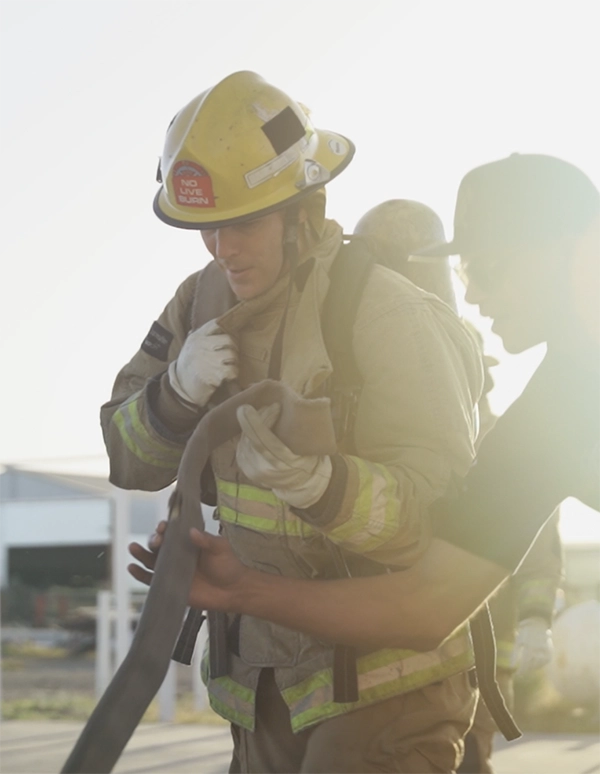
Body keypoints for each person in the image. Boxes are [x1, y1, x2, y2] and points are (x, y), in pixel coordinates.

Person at [112, 71, 483, 773]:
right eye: (208, 228)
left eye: (244, 223)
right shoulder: (198, 304)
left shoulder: (385, 313)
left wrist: (326, 488)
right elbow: (127, 458)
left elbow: (448, 525)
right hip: (260, 686)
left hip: (382, 689)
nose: (223, 248)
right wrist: (173, 395)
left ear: (303, 210)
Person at [130, 152, 600, 663]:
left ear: (577, 251)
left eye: (488, 267)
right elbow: (427, 604)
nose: (477, 296)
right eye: (466, 272)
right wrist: (241, 589)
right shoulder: (547, 422)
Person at [455, 329, 563, 773]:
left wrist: (536, 620)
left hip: (485, 651)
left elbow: (538, 546)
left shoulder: (508, 441)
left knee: (471, 756)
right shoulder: (423, 433)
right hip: (421, 641)